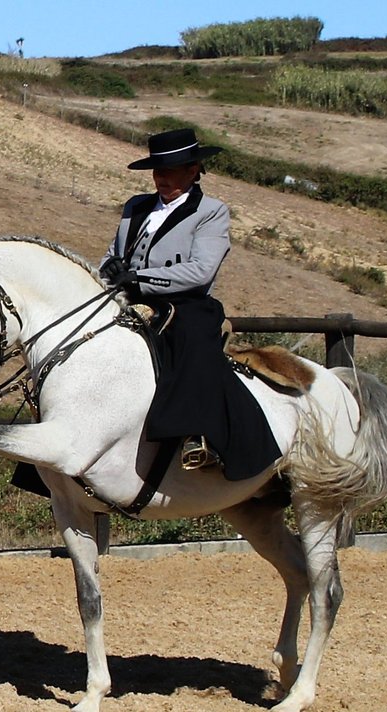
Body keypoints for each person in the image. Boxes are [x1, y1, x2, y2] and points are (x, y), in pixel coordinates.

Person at [100, 128, 278, 477]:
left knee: (192, 339)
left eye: (170, 169)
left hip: (183, 303)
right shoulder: (135, 206)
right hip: (125, 296)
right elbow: (112, 253)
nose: (161, 178)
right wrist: (112, 269)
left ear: (194, 170)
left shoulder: (211, 212)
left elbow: (201, 270)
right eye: (157, 170)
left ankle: (199, 436)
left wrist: (141, 278)